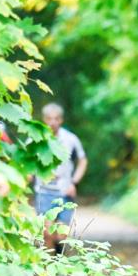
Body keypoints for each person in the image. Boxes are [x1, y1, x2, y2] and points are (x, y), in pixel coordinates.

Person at [34, 103, 87, 252]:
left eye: (56, 119)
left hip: (64, 191)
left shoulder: (70, 139)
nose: (53, 122)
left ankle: (59, 257)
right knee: (47, 234)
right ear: (44, 119)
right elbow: (26, 159)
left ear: (61, 120)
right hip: (43, 191)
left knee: (61, 236)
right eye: (49, 119)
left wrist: (74, 182)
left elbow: (83, 160)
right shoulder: (35, 138)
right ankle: (51, 265)